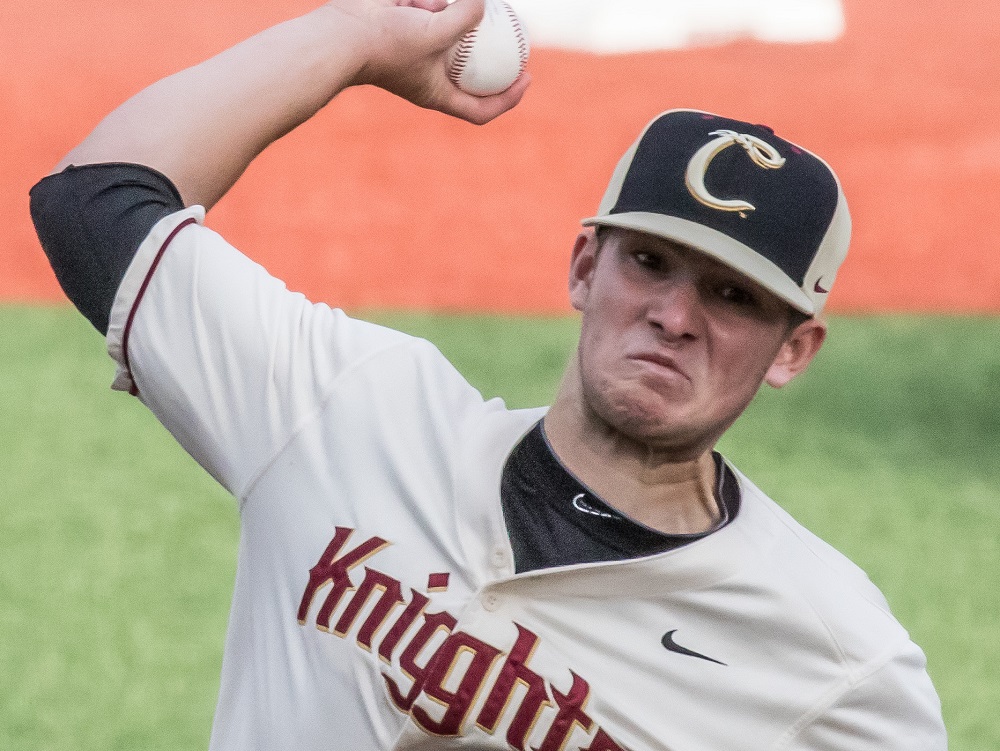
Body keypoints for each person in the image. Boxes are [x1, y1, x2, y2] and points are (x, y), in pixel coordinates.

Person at [29, 0, 946, 749]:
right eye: (651, 264)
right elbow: (92, 199)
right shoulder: (350, 411)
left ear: (794, 349)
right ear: (585, 266)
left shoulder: (837, 667)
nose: (675, 316)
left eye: (733, 298)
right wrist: (359, 38)